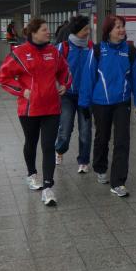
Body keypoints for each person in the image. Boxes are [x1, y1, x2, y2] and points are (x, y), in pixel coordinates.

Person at [0, 18, 70, 206]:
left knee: (48, 146)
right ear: (33, 33)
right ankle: (31, 174)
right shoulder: (19, 53)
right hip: (29, 110)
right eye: (44, 29)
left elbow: (65, 70)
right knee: (31, 142)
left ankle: (48, 188)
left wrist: (64, 84)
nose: (48, 32)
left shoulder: (53, 52)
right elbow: (3, 77)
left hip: (52, 107)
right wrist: (22, 91)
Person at [78, 15, 136, 197]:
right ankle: (100, 167)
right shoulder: (98, 50)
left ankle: (118, 182)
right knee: (102, 138)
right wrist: (84, 104)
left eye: (122, 26)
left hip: (122, 103)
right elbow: (88, 77)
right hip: (100, 103)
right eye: (117, 27)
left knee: (122, 140)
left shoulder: (130, 51)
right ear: (108, 31)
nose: (121, 30)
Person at [54, 15, 93, 172]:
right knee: (65, 128)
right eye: (85, 29)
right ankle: (59, 150)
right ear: (76, 31)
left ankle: (83, 161)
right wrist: (59, 86)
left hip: (86, 96)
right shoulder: (63, 47)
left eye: (88, 29)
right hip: (67, 95)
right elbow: (53, 70)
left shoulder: (91, 47)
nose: (88, 32)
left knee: (85, 130)